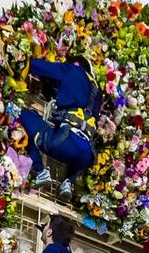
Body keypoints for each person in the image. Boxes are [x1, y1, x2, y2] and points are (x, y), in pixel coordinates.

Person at [16, 54, 98, 185]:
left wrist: (22, 61)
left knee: (22, 114)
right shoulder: (97, 93)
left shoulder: (73, 71)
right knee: (80, 146)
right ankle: (69, 182)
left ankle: (39, 171)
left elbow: (41, 67)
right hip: (86, 157)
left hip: (62, 142)